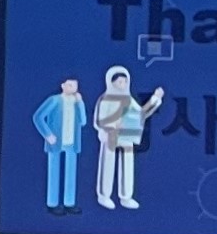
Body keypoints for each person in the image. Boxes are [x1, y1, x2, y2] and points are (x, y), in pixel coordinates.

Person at [95, 66, 152, 211]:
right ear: (111, 82)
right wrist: (112, 124)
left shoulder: (128, 100)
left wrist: (155, 100)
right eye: (120, 81)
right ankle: (104, 195)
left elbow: (141, 113)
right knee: (108, 165)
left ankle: (126, 197)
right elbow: (98, 121)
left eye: (125, 81)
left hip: (126, 134)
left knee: (127, 166)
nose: (123, 84)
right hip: (110, 135)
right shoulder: (105, 99)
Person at [34, 77, 86, 213]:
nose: (73, 88)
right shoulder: (54, 100)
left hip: (72, 142)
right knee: (54, 171)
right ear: (63, 86)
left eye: (75, 86)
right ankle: (52, 203)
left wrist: (80, 103)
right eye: (70, 85)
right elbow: (38, 117)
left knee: (71, 173)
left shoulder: (76, 103)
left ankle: (69, 202)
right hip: (55, 141)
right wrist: (47, 134)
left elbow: (83, 121)